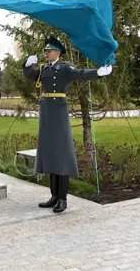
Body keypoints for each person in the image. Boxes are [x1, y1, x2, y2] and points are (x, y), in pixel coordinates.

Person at [23, 37, 112, 213]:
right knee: (50, 154)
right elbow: (29, 74)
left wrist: (99, 72)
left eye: (49, 51)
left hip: (59, 113)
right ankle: (54, 196)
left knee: (61, 155)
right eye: (45, 51)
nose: (46, 53)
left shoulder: (64, 68)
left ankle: (62, 198)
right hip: (47, 114)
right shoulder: (43, 69)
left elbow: (81, 73)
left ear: (57, 52)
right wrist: (26, 64)